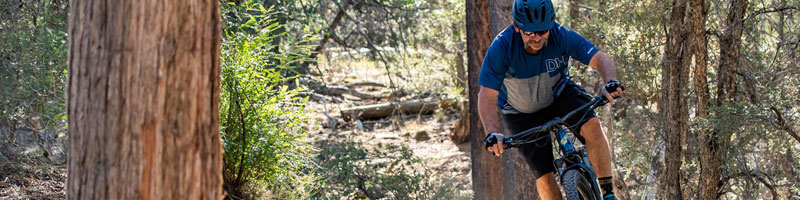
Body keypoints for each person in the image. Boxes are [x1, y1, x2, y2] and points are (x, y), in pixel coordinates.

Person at [477, 0, 624, 199]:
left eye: (543, 31)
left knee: (592, 125)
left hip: (559, 95)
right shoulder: (502, 47)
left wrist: (610, 81)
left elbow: (600, 59)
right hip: (521, 112)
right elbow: (487, 94)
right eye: (530, 32)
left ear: (551, 24)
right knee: (544, 176)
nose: (537, 38)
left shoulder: (560, 35)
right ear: (516, 27)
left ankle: (608, 194)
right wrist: (492, 132)